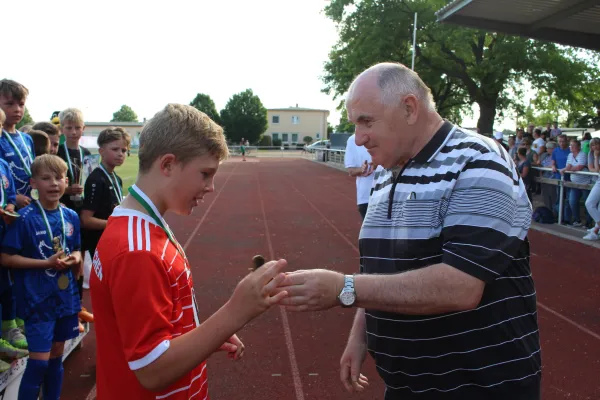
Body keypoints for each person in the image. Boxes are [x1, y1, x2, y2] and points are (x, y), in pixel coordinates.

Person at [276, 62, 540, 399]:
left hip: (479, 386)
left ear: (410, 108)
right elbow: (378, 268)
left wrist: (343, 289)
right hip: (406, 386)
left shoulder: (478, 162)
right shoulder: (388, 171)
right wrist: (360, 335)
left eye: (366, 121)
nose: (359, 137)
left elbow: (460, 286)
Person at [89, 104, 288, 399]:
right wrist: (235, 312)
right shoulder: (137, 250)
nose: (210, 187)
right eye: (205, 173)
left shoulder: (139, 227)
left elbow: (157, 325)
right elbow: (152, 370)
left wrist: (207, 335)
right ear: (167, 164)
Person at [1, 154, 82, 399]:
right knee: (39, 364)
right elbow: (5, 258)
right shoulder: (24, 219)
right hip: (38, 300)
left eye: (59, 178)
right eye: (46, 178)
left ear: (66, 182)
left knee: (56, 360)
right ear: (33, 183)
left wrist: (76, 258)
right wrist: (44, 263)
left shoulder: (71, 216)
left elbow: (77, 249)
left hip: (64, 298)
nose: (54, 184)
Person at [81, 127, 130, 258]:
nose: (120, 153)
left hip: (114, 238)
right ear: (101, 151)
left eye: (124, 150)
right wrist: (115, 222)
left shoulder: (117, 179)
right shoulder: (95, 179)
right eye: (115, 149)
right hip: (99, 242)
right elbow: (86, 220)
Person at [0, 79, 35, 207]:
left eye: (21, 104)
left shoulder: (27, 139)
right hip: (6, 204)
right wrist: (13, 197)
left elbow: (34, 169)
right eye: (9, 104)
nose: (17, 109)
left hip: (30, 202)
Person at [344, 133, 375, 220]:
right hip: (366, 198)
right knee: (371, 233)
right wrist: (362, 169)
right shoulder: (352, 140)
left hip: (392, 196)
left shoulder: (388, 134)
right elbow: (351, 171)